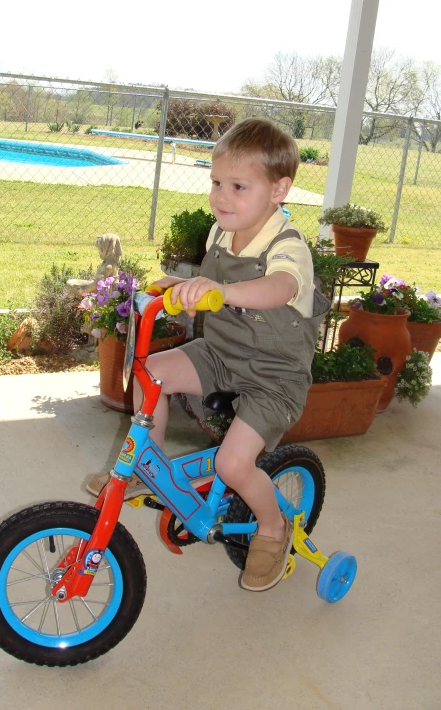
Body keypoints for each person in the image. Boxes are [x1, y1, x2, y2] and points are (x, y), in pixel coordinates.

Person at [87, 118, 319, 592]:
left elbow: (281, 287)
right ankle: (145, 467)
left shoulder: (286, 245)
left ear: (279, 190)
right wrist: (179, 285)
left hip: (274, 376)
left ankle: (273, 529)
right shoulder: (220, 233)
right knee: (151, 373)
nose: (221, 196)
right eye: (216, 182)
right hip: (220, 353)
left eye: (238, 186)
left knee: (233, 466)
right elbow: (208, 284)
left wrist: (222, 290)